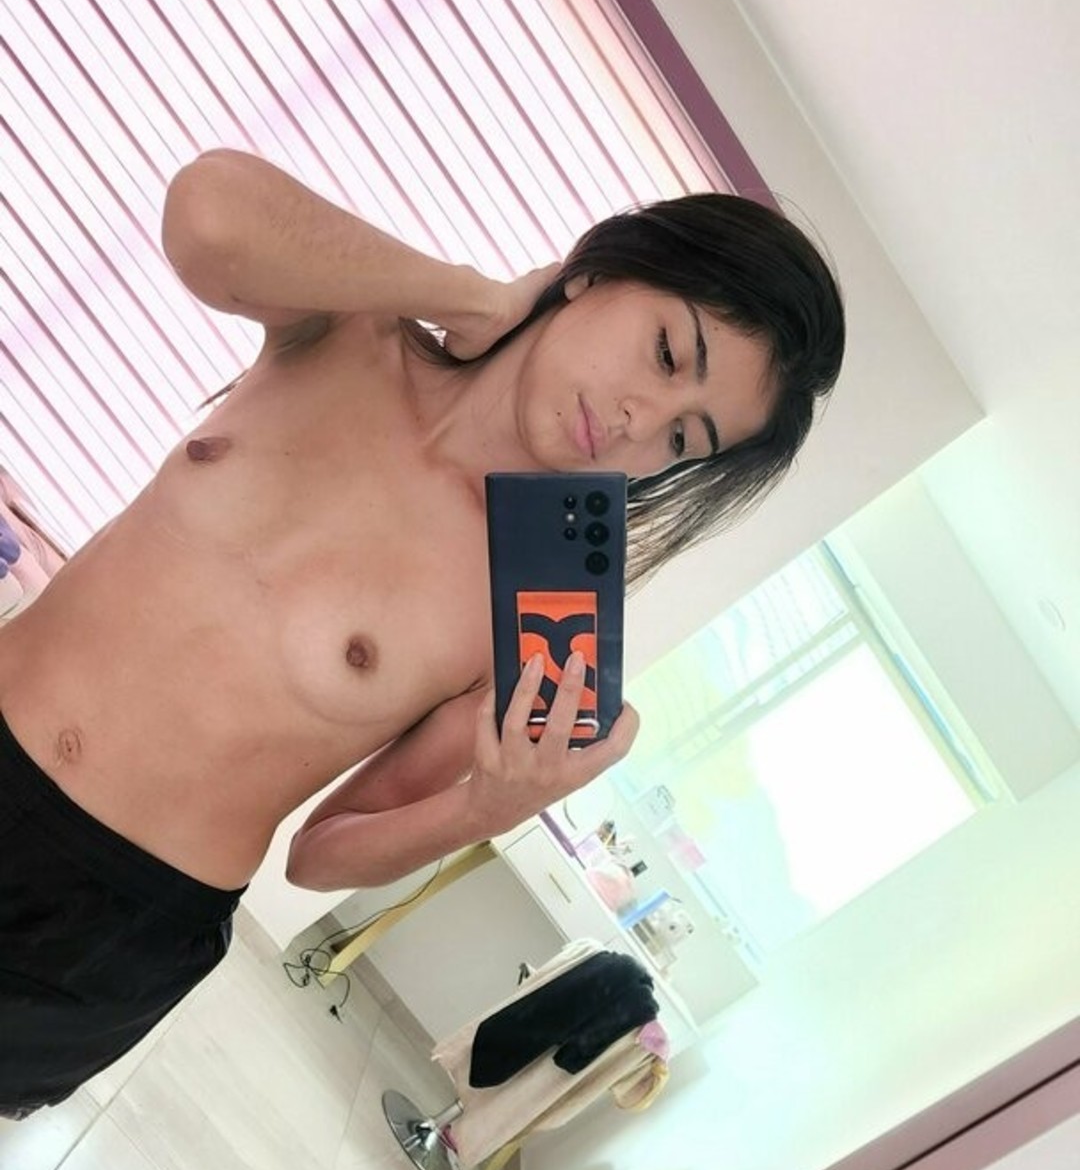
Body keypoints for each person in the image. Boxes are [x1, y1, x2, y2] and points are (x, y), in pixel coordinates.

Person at [0, 149, 844, 1118]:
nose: (636, 422)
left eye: (683, 438)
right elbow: (209, 216)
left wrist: (485, 805)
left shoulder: (521, 610)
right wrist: (469, 295)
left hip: (105, 926)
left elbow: (319, 854)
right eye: (665, 353)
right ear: (601, 273)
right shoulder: (349, 335)